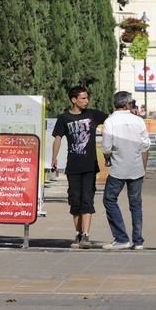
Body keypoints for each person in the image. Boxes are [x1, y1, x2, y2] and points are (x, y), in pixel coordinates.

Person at [50, 85, 108, 249]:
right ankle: (78, 234)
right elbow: (57, 139)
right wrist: (54, 158)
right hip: (73, 166)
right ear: (73, 100)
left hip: (90, 166)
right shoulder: (64, 118)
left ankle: (86, 236)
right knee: (75, 200)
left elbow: (112, 121)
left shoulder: (93, 115)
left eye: (87, 98)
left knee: (87, 199)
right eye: (83, 98)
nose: (86, 101)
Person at [100, 90, 148, 250]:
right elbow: (145, 147)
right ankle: (138, 241)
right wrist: (144, 169)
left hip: (118, 169)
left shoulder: (110, 122)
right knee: (136, 204)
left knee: (109, 199)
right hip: (136, 168)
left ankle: (121, 237)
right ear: (128, 104)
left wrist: (108, 158)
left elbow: (106, 148)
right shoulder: (139, 121)